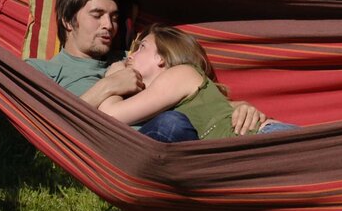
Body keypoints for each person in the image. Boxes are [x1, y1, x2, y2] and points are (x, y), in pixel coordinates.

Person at [24, 0, 265, 140]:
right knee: (172, 123)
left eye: (114, 17)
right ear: (68, 21)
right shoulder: (43, 70)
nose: (108, 25)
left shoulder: (134, 58)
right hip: (117, 153)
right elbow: (48, 125)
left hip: (173, 141)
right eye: (97, 16)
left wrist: (238, 108)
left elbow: (188, 94)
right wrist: (110, 85)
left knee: (174, 123)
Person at [96, 25, 239, 139]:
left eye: (142, 47)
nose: (130, 56)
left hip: (254, 145)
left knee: (169, 123)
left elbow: (109, 115)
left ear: (161, 57)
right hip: (234, 158)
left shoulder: (182, 73)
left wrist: (114, 77)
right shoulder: (170, 96)